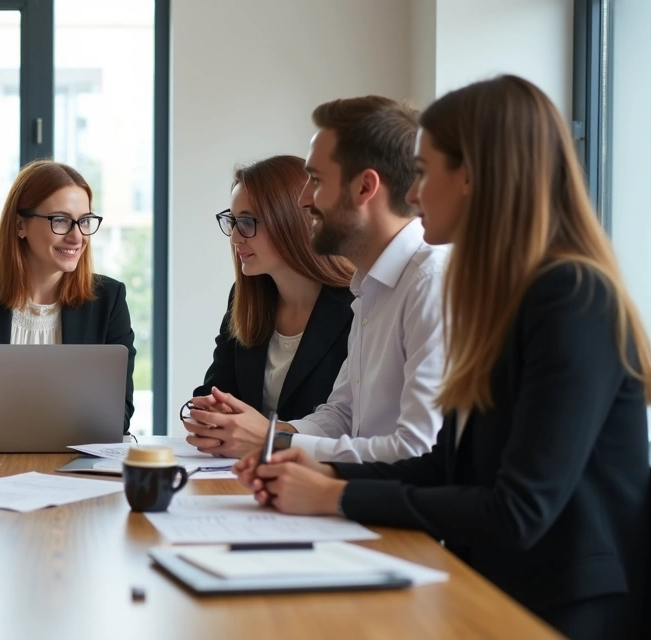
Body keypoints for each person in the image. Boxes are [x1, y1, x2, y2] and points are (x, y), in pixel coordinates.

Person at [236, 75, 649, 640]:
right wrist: (318, 467)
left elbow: (519, 510)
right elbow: (443, 467)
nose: (416, 193)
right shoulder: (501, 295)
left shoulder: (571, 296)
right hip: (499, 585)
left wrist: (337, 493)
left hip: (569, 606)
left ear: (473, 178)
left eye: (427, 173)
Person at [184, 96, 447, 463]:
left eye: (316, 181)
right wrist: (267, 435)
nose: (304, 201)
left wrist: (273, 442)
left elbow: (417, 451)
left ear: (364, 188)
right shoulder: (369, 287)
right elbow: (341, 415)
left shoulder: (430, 283)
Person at [0, 160, 136, 436]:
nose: (77, 236)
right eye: (61, 220)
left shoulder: (109, 299)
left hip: (74, 466)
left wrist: (33, 429)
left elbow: (120, 413)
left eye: (85, 221)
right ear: (20, 225)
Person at [187, 156, 354, 431]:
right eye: (233, 221)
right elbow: (213, 392)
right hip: (242, 469)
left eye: (247, 222)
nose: (235, 237)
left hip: (316, 470)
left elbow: (351, 425)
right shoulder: (245, 300)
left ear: (292, 221)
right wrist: (209, 412)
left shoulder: (357, 303)